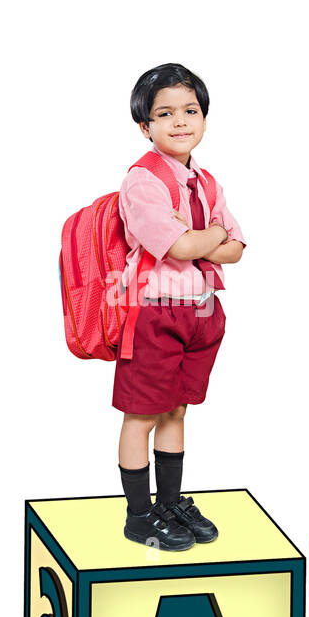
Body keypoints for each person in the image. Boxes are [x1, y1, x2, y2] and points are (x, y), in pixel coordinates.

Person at [115, 63, 245, 550]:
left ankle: (170, 500)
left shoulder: (207, 183)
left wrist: (201, 237)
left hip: (202, 312)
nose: (180, 121)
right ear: (145, 126)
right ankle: (139, 514)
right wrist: (208, 237)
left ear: (204, 118)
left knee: (176, 410)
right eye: (164, 113)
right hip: (154, 311)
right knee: (141, 414)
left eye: (190, 110)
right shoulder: (142, 182)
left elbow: (236, 247)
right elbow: (179, 249)